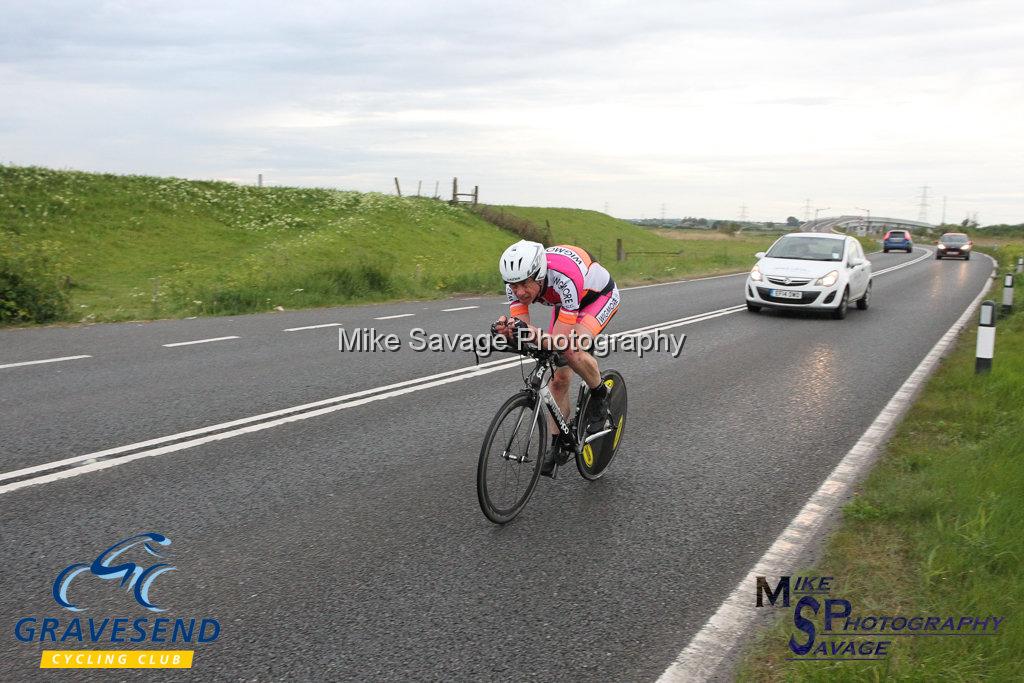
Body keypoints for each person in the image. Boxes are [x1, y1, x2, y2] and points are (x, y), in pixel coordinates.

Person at [492, 240, 621, 475]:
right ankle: (558, 443)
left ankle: (600, 393)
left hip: (598, 298)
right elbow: (525, 329)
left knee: (571, 351)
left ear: (539, 275)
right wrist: (509, 333)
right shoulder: (515, 286)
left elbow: (559, 343)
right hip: (566, 304)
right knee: (558, 380)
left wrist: (530, 334)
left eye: (524, 284)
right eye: (513, 285)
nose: (519, 292)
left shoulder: (564, 277)